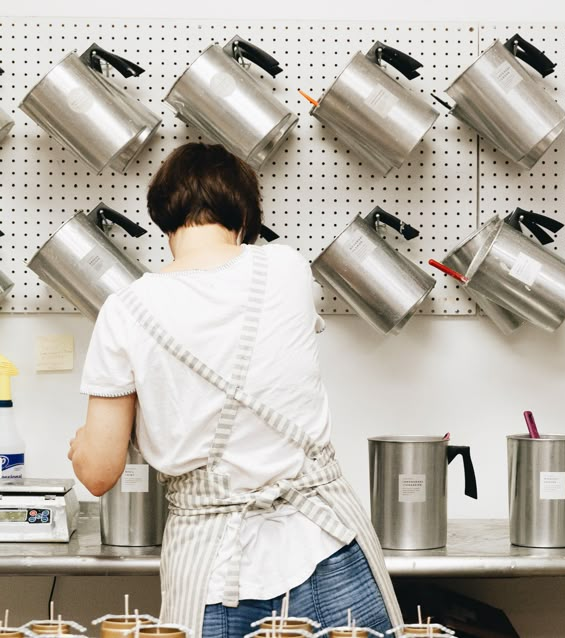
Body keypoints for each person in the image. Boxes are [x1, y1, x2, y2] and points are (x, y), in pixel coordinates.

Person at [68, 143, 402, 638]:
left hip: (213, 565)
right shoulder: (289, 270)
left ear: (163, 219)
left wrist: (83, 447)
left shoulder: (126, 310)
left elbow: (98, 474)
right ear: (244, 216)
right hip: (330, 542)